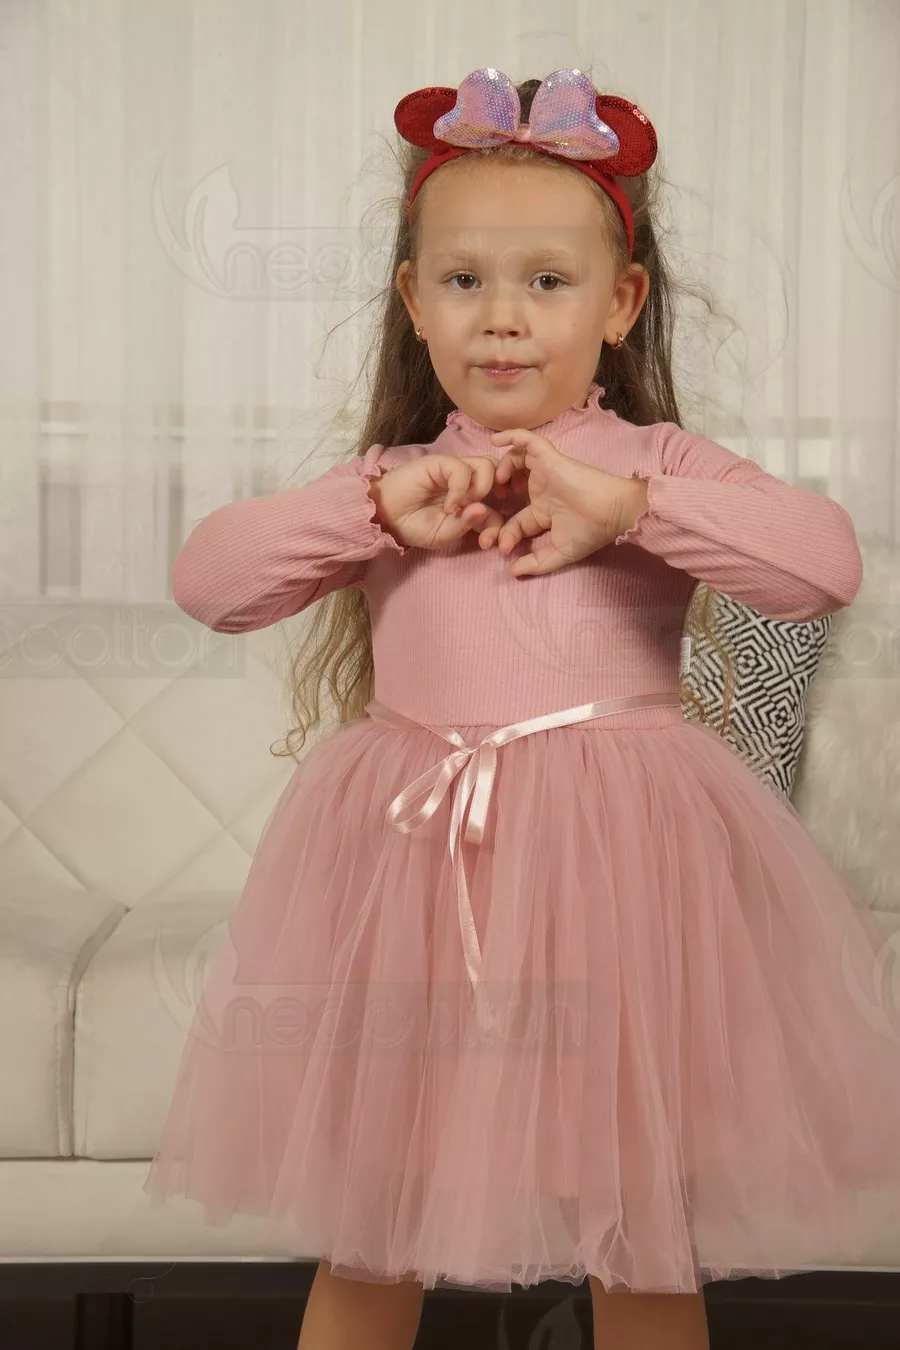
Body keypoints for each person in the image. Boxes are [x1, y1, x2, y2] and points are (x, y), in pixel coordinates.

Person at [142, 68, 900, 1350]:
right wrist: (373, 514)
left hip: (620, 883)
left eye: (548, 281)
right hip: (414, 885)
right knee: (375, 1224)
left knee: (637, 1220)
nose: (502, 316)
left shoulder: (652, 464)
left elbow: (820, 565)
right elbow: (210, 583)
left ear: (621, 303)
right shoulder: (394, 481)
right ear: (412, 302)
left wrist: (635, 510)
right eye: (464, 279)